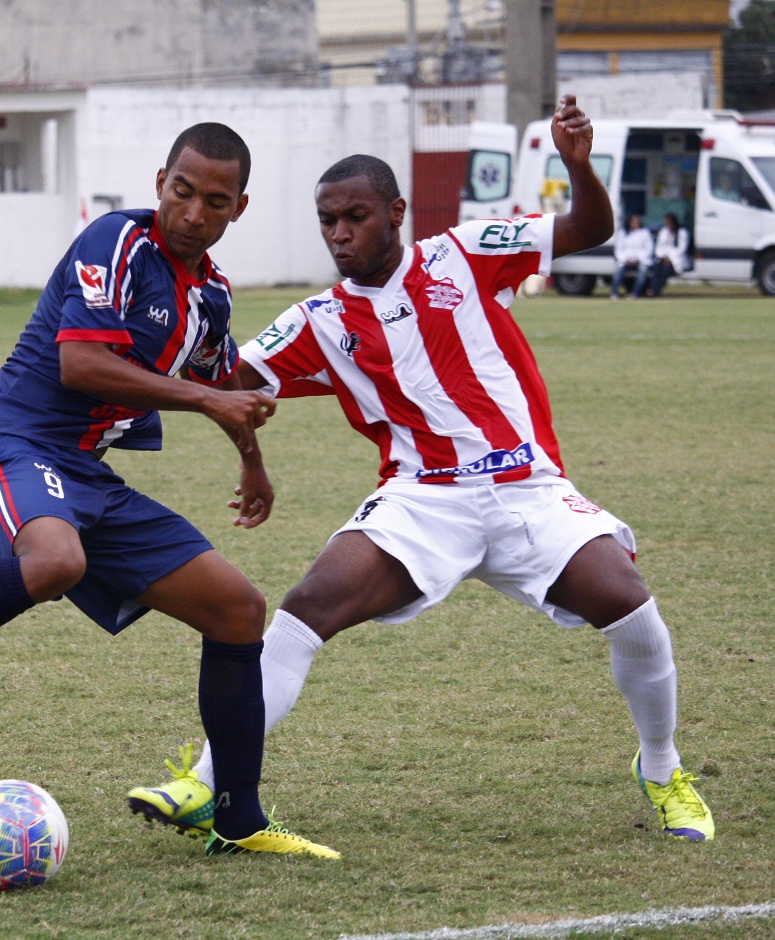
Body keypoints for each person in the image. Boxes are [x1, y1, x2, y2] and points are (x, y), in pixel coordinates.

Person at [126, 97, 715, 845]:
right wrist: (167, 333)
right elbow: (226, 381)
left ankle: (662, 769)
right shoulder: (319, 321)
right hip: (422, 499)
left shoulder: (466, 252)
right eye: (328, 222)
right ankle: (206, 783)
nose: (341, 234)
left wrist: (578, 166)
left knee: (631, 608)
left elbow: (588, 229)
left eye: (356, 217)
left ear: (396, 212)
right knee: (306, 607)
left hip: (526, 488)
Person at [0, 123, 338, 860]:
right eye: (181, 192)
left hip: (86, 474)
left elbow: (223, 390)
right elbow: (83, 365)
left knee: (237, 608)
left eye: (214, 202)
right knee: (54, 562)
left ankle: (238, 820)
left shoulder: (211, 296)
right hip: (11, 443)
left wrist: (252, 462)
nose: (192, 213)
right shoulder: (117, 242)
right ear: (160, 183)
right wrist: (209, 401)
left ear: (238, 209)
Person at [609, 213, 653, 300]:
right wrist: (625, 259)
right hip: (625, 260)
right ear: (629, 222)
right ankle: (614, 293)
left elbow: (649, 248)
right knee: (618, 271)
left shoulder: (645, 233)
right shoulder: (623, 233)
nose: (636, 223)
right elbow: (618, 249)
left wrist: (639, 259)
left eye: (637, 222)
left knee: (642, 271)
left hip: (640, 260)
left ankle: (635, 293)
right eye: (634, 222)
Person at [645, 213, 690, 297]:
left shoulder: (682, 232)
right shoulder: (664, 231)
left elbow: (682, 249)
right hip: (663, 258)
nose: (667, 224)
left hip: (676, 260)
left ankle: (654, 290)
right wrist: (663, 257)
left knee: (666, 270)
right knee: (657, 269)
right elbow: (659, 247)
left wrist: (670, 258)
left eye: (669, 222)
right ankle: (652, 289)